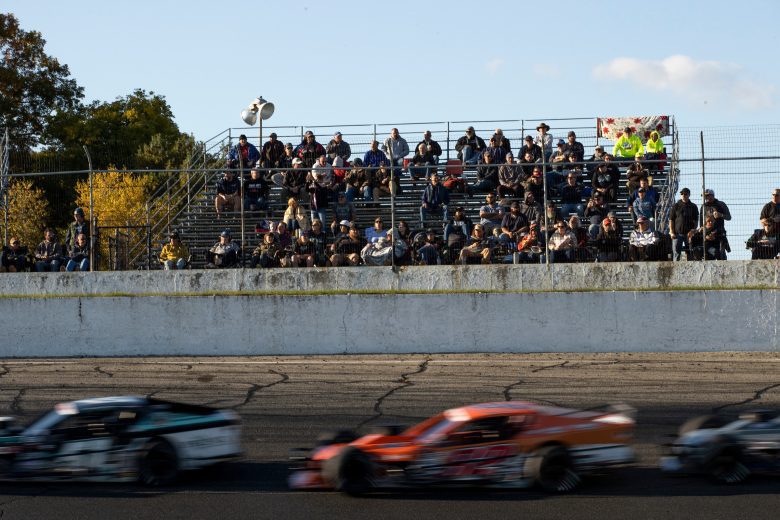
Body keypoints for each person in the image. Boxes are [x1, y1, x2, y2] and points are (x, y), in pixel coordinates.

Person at [669, 187, 699, 261]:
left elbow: (696, 220)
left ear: (689, 195)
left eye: (685, 194)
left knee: (690, 253)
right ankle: (675, 270)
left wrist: (693, 230)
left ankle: (691, 270)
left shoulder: (693, 206)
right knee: (676, 253)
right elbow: (671, 220)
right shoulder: (676, 206)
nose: (683, 195)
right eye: (682, 194)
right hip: (677, 234)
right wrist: (672, 232)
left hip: (689, 234)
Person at [700, 188, 732, 259]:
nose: (706, 198)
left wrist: (720, 215)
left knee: (721, 255)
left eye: (708, 196)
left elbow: (729, 217)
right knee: (709, 255)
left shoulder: (720, 204)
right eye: (705, 196)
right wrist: (704, 234)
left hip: (719, 233)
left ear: (712, 195)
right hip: (708, 234)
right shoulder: (703, 207)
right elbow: (701, 224)